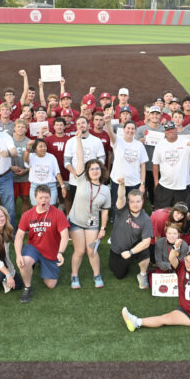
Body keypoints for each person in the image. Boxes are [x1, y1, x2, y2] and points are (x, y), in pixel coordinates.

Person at [14, 184, 71, 303]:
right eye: (41, 197)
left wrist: (60, 252)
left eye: (46, 197)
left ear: (51, 198)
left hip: (51, 250)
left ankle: (40, 264)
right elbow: (19, 236)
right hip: (33, 247)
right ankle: (27, 287)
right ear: (35, 198)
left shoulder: (58, 214)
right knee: (24, 262)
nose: (44, 200)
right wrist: (18, 254)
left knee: (51, 285)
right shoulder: (27, 214)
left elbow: (65, 235)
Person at [68, 132, 110, 289]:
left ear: (101, 170)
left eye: (97, 168)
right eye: (91, 168)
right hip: (76, 222)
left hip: (93, 224)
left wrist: (103, 228)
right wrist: (78, 139)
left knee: (91, 251)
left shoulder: (105, 189)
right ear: (87, 171)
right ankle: (74, 276)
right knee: (79, 251)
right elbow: (80, 158)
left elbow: (105, 210)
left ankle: (96, 275)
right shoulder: (81, 180)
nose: (94, 171)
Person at [109, 178, 153, 289]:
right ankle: (128, 260)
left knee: (145, 250)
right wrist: (122, 184)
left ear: (142, 201)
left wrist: (131, 252)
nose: (135, 204)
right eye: (132, 201)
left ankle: (142, 274)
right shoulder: (122, 209)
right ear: (128, 202)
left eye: (138, 201)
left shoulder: (146, 218)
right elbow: (121, 196)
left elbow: (146, 242)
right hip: (117, 250)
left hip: (131, 248)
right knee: (119, 274)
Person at [153, 121, 190, 208]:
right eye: (168, 130)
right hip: (165, 185)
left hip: (182, 185)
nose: (170, 131)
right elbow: (155, 164)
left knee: (182, 212)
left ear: (176, 129)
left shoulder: (186, 142)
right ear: (165, 132)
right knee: (162, 211)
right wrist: (156, 183)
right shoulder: (160, 145)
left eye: (172, 129)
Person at [105, 114, 148, 210]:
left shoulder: (139, 145)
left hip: (134, 182)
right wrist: (107, 123)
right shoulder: (117, 141)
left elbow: (143, 165)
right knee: (118, 206)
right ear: (124, 129)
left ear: (135, 131)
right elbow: (111, 133)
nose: (130, 130)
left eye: (133, 129)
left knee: (132, 207)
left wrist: (142, 184)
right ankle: (117, 222)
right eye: (128, 128)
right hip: (118, 181)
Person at [63, 116, 105, 204]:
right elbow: (66, 161)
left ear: (89, 125)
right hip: (76, 181)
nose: (81, 125)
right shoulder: (70, 141)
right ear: (76, 127)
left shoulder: (96, 141)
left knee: (93, 204)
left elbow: (101, 159)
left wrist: (96, 172)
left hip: (92, 179)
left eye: (83, 123)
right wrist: (75, 173)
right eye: (78, 124)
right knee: (77, 204)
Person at [136, 106, 165, 205]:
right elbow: (133, 145)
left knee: (157, 188)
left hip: (159, 165)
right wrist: (139, 141)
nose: (155, 116)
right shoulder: (141, 129)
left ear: (160, 115)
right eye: (152, 114)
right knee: (143, 188)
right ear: (148, 115)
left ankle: (155, 207)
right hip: (144, 165)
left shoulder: (164, 130)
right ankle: (141, 208)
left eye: (157, 114)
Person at [24, 137, 65, 205]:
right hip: (35, 187)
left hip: (50, 187)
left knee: (50, 210)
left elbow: (57, 173)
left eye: (44, 146)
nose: (43, 148)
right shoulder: (31, 156)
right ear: (35, 149)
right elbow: (25, 159)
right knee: (36, 209)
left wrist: (62, 186)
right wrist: (28, 148)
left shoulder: (51, 157)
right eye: (40, 146)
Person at [10, 118, 32, 217]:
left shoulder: (29, 143)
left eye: (23, 127)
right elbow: (2, 159)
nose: (20, 129)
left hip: (26, 175)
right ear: (14, 128)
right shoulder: (9, 141)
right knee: (12, 199)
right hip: (11, 175)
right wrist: (11, 167)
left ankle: (25, 220)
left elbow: (35, 161)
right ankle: (12, 220)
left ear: (26, 129)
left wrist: (26, 170)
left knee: (25, 198)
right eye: (18, 126)